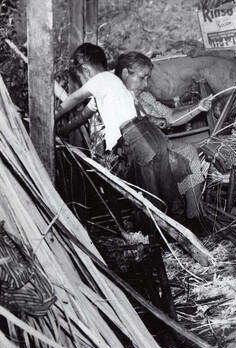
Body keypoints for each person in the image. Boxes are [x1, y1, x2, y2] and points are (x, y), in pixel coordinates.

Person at [55, 43, 186, 224]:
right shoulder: (117, 87)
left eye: (79, 77)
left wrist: (52, 117)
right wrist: (64, 130)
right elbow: (83, 115)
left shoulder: (101, 79)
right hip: (151, 134)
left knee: (148, 191)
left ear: (85, 69)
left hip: (135, 137)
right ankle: (180, 224)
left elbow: (75, 98)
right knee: (166, 185)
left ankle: (155, 236)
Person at [114, 52, 212, 224]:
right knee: (181, 155)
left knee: (187, 151)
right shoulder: (114, 99)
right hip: (133, 156)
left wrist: (199, 108)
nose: (145, 85)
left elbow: (171, 117)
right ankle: (177, 220)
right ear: (124, 74)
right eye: (141, 78)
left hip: (159, 146)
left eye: (147, 79)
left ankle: (194, 218)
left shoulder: (144, 97)